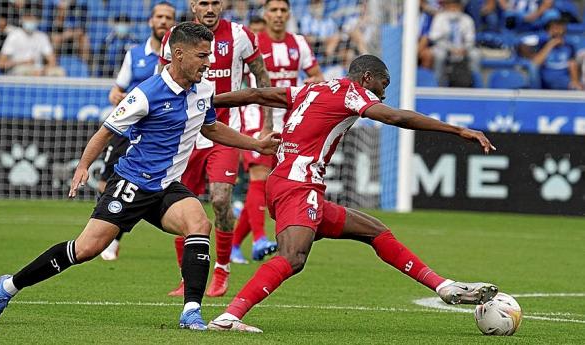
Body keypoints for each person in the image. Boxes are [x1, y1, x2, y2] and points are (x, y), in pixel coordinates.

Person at [0, 22, 281, 330]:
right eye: (202, 56)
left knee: (199, 224)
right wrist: (83, 166)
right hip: (131, 184)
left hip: (166, 188)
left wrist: (255, 143)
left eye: (209, 55)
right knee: (85, 250)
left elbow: (211, 127)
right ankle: (7, 287)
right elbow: (106, 131)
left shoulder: (203, 89)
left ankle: (191, 312)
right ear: (179, 54)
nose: (209, 63)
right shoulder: (146, 94)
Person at [205, 54, 499, 333]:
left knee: (376, 232)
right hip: (298, 185)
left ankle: (443, 286)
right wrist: (458, 130)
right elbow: (396, 118)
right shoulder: (351, 92)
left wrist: (210, 100)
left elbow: (257, 94)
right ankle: (231, 316)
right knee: (293, 257)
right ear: (368, 77)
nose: (382, 95)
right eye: (383, 85)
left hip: (287, 184)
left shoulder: (311, 89)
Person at [158, 0, 273, 298]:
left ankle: (222, 269)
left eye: (215, 2)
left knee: (221, 199)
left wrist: (267, 120)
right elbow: (162, 82)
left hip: (222, 132)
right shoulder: (174, 37)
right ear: (192, 5)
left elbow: (261, 75)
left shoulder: (240, 35)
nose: (210, 8)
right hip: (185, 135)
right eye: (203, 3)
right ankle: (187, 277)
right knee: (182, 206)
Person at [231, 0, 325, 265]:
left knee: (270, 187)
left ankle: (236, 245)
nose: (279, 15)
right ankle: (260, 238)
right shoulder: (253, 42)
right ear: (266, 14)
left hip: (290, 122)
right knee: (258, 176)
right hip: (255, 117)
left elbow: (317, 75)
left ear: (289, 14)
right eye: (273, 10)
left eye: (283, 10)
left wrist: (313, 82)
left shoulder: (299, 43)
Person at [99, 1, 176, 261]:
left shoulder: (177, 57)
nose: (163, 21)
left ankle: (113, 239)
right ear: (150, 21)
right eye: (159, 16)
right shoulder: (134, 54)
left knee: (146, 182)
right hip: (128, 128)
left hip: (155, 134)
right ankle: (107, 229)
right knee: (104, 182)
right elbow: (115, 90)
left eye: (168, 17)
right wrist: (120, 97)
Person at [0, 6, 65, 77]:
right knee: (24, 71)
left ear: (37, 21)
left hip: (39, 70)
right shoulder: (14, 36)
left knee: (59, 71)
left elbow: (52, 60)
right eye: (27, 18)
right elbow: (0, 63)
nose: (30, 21)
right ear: (22, 19)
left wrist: (43, 70)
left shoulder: (42, 37)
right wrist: (24, 62)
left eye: (32, 18)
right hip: (19, 67)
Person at [518, 17, 583, 90]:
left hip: (563, 80)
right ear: (549, 31)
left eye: (560, 28)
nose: (557, 31)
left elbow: (572, 64)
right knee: (532, 67)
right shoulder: (542, 44)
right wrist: (550, 45)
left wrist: (575, 81)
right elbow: (535, 63)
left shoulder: (569, 46)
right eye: (555, 28)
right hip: (545, 79)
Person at [428, 0, 481, 87]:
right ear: (446, 6)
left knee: (476, 54)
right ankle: (438, 84)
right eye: (451, 6)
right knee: (440, 55)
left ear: (461, 7)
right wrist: (450, 49)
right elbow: (434, 38)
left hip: (463, 49)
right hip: (443, 47)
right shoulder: (439, 18)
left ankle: (475, 84)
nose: (453, 8)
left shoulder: (467, 19)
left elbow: (470, 39)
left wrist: (464, 49)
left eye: (456, 6)